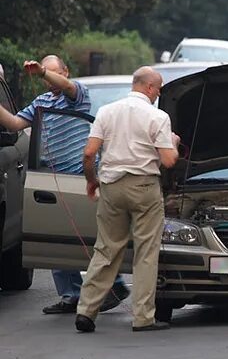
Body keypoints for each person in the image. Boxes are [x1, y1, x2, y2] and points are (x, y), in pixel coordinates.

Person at [0, 56, 130, 314]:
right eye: (46, 75)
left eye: (53, 73)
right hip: (53, 177)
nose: (49, 81)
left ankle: (115, 286)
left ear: (65, 72)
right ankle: (71, 294)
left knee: (93, 235)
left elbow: (67, 87)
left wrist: (41, 73)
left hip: (81, 178)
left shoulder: (78, 94)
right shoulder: (41, 102)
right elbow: (15, 124)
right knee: (58, 237)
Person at [75, 66, 180, 333]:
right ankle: (143, 317)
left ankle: (86, 311)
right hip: (144, 187)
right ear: (149, 88)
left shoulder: (106, 112)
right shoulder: (158, 116)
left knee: (106, 249)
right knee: (145, 253)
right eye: (158, 88)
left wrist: (91, 180)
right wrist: (174, 142)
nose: (158, 93)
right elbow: (168, 161)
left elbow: (89, 154)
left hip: (111, 186)